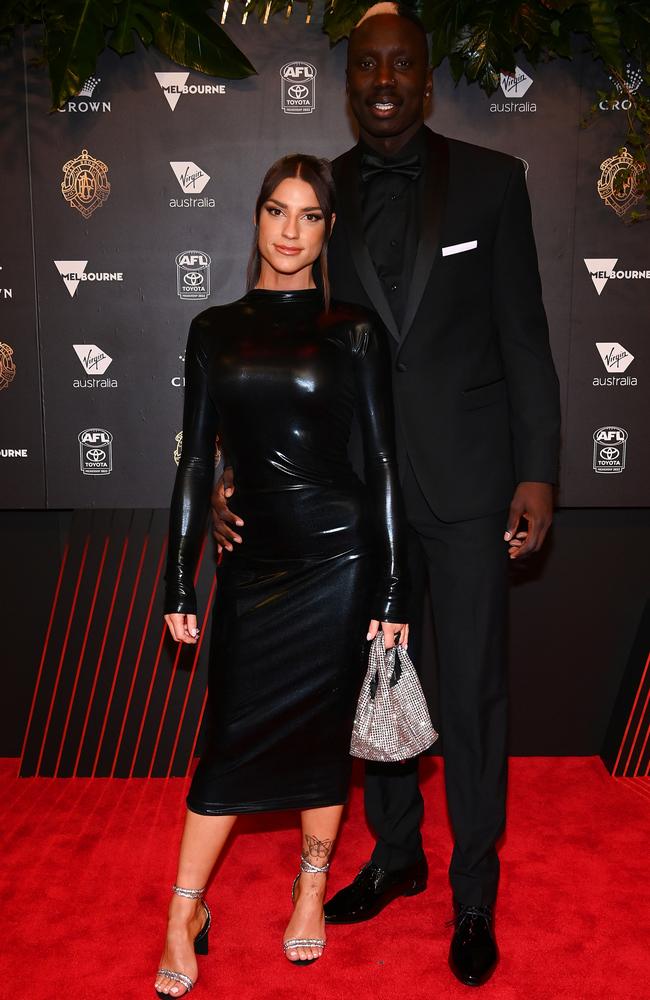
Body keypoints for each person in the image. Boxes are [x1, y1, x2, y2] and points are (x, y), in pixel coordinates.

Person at [211, 4, 561, 988]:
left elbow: (524, 338)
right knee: (377, 690)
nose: (379, 79)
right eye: (363, 64)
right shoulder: (323, 193)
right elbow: (284, 338)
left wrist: (537, 468)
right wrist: (240, 466)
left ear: (423, 74)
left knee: (474, 695)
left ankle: (474, 887)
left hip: (469, 486)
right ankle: (396, 853)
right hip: (356, 496)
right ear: (348, 77)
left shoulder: (494, 185)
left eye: (397, 63)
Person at [155, 153, 409, 997]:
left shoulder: (354, 329)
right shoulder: (213, 328)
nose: (290, 231)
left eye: (308, 215)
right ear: (257, 219)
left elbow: (379, 463)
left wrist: (393, 587)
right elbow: (196, 460)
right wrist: (178, 580)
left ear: (328, 229)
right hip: (254, 567)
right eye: (276, 211)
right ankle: (182, 909)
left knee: (320, 743)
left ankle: (310, 885)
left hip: (340, 563)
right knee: (226, 742)